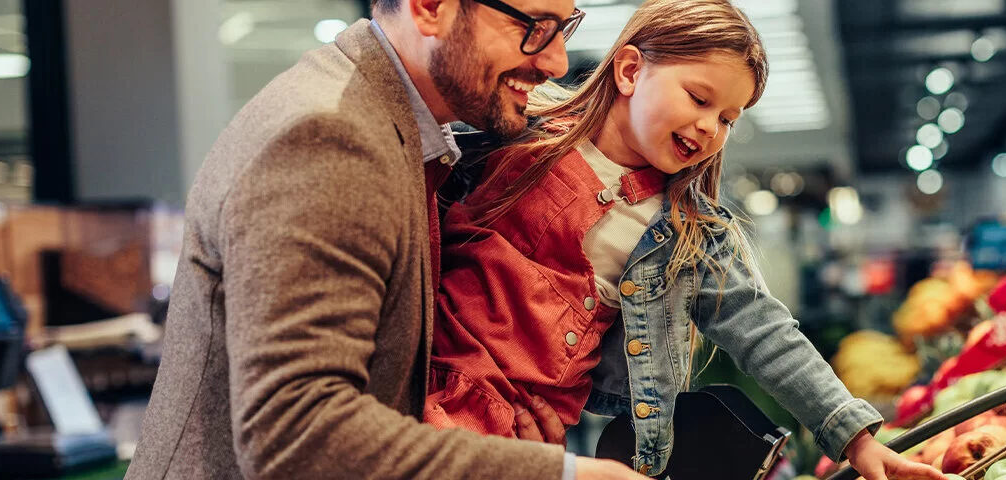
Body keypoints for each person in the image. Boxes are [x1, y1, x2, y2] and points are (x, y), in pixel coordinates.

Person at [126, 0, 647, 478]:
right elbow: (298, 438)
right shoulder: (331, 138)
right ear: (431, 8)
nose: (557, 61)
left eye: (564, 27)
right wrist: (560, 475)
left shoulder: (391, 127)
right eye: (533, 27)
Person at [426, 1, 946, 479]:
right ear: (630, 71)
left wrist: (855, 437)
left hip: (520, 434)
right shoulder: (516, 135)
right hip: (420, 388)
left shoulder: (690, 233)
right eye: (698, 98)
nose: (709, 127)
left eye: (727, 119)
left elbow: (765, 331)